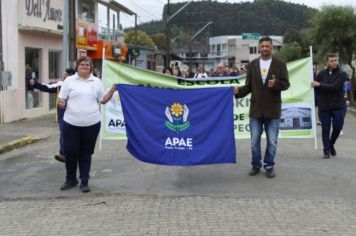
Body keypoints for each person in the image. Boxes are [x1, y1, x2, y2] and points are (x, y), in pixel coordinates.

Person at [58, 56, 116, 193]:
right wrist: (62, 102)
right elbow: (62, 98)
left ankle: (84, 181)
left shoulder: (96, 82)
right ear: (77, 66)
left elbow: (102, 100)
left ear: (91, 67)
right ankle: (71, 179)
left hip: (91, 124)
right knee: (71, 152)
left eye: (87, 65)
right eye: (82, 64)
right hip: (71, 123)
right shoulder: (69, 81)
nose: (85, 66)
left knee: (86, 154)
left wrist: (112, 90)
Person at [234, 36, 290, 178]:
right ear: (259, 48)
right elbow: (248, 87)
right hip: (256, 110)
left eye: (267, 46)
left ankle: (269, 166)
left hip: (273, 110)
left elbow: (286, 84)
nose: (265, 48)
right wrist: (238, 91)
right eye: (262, 46)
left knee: (272, 141)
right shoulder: (252, 65)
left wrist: (276, 84)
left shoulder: (280, 64)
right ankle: (255, 165)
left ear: (272, 47)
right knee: (254, 142)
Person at [29, 68, 76, 163]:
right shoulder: (60, 85)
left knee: (75, 134)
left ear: (72, 75)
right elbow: (47, 87)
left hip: (76, 113)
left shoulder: (78, 85)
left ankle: (75, 153)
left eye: (66, 75)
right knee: (64, 131)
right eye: (64, 75)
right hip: (63, 113)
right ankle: (63, 154)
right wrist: (35, 84)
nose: (64, 77)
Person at [311, 53, 348, 158]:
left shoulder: (342, 74)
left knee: (337, 127)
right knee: (325, 128)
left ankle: (331, 144)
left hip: (338, 106)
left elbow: (335, 87)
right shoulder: (321, 74)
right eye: (331, 61)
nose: (334, 62)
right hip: (324, 107)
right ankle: (326, 150)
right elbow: (316, 89)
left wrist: (319, 84)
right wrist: (315, 100)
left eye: (335, 60)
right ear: (327, 62)